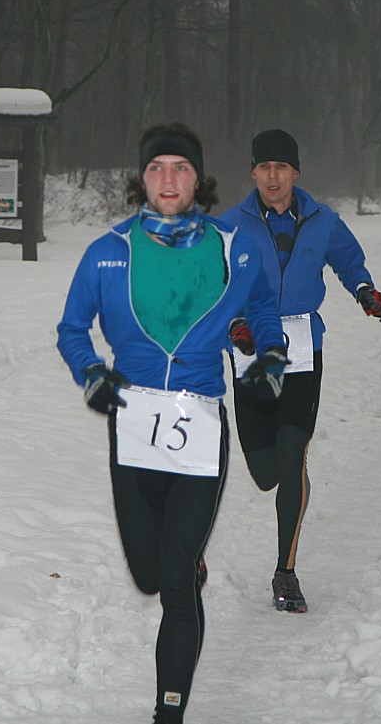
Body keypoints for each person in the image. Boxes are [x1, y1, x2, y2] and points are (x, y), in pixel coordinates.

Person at [56, 122, 286, 724]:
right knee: (148, 574)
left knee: (176, 583)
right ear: (141, 177)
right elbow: (72, 329)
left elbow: (262, 306)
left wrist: (270, 356)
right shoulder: (109, 251)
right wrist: (92, 373)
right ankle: (186, 563)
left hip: (202, 423)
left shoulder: (233, 246)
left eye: (180, 168)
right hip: (134, 425)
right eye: (156, 167)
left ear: (197, 178)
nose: (168, 178)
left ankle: (168, 712)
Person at [219, 128, 381, 614]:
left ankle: (286, 571)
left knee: (292, 453)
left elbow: (349, 262)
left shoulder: (323, 220)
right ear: (253, 173)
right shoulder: (229, 226)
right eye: (264, 167)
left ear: (295, 172)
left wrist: (364, 291)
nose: (273, 176)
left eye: (281, 167)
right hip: (251, 347)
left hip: (302, 347)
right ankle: (289, 473)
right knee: (265, 472)